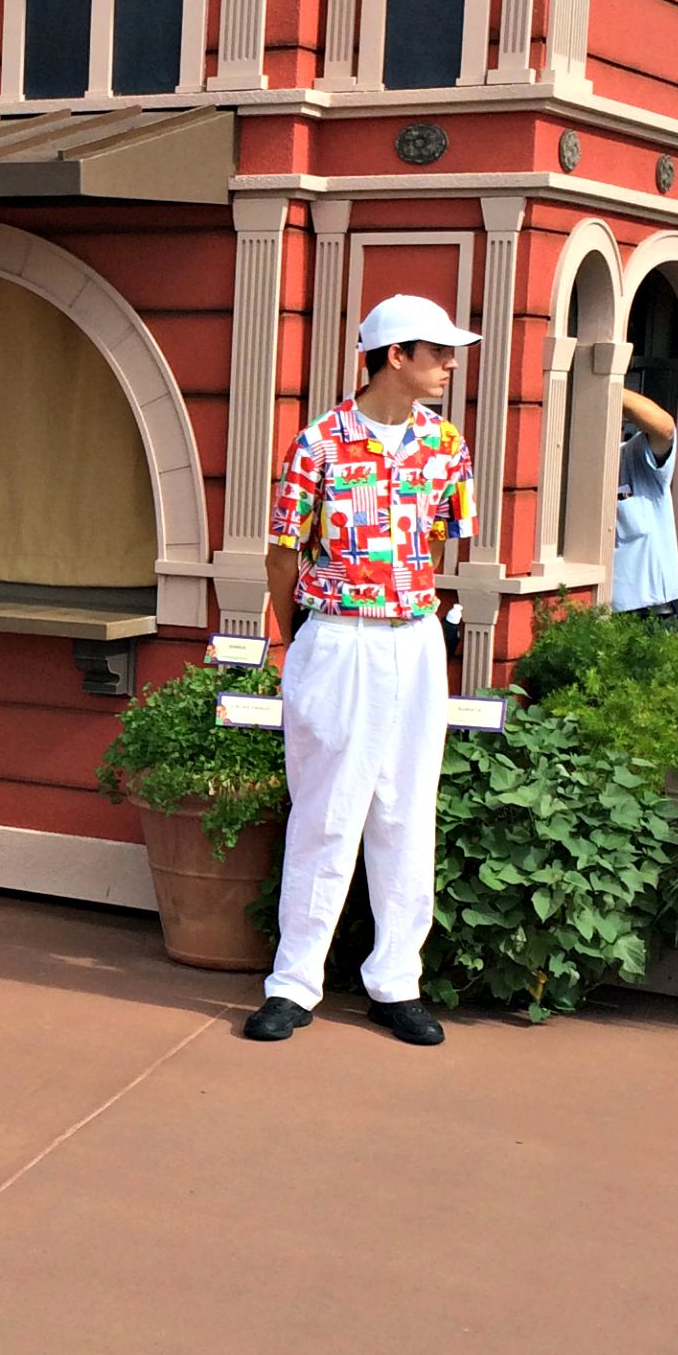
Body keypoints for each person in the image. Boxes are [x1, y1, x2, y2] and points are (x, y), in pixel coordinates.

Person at [245, 294, 478, 1049]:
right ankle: (293, 983)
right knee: (325, 812)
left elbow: (436, 543)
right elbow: (282, 555)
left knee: (407, 811)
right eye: (436, 352)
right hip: (338, 635)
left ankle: (396, 981)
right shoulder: (317, 444)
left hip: (413, 639)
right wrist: (301, 639)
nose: (449, 365)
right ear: (394, 355)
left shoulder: (447, 446)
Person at [610, 383, 678, 619]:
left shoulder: (634, 455)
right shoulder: (572, 468)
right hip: (602, 616)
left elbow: (664, 428)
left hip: (653, 617)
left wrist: (606, 385)